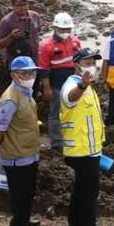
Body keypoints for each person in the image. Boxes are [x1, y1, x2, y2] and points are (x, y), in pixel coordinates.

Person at [0, 56, 41, 226]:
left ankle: (25, 220)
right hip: (17, 158)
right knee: (20, 196)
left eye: (32, 72)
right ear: (13, 75)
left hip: (29, 154)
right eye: (24, 73)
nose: (29, 76)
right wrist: (10, 145)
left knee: (28, 193)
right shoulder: (11, 99)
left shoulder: (25, 92)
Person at [60, 48, 108, 226]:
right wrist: (82, 85)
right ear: (76, 64)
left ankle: (75, 224)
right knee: (90, 192)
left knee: (81, 189)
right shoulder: (73, 84)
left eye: (93, 62)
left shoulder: (90, 88)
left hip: (90, 148)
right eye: (86, 62)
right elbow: (70, 98)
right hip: (81, 150)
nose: (91, 65)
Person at [37, 12, 82, 152]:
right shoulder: (46, 45)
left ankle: (72, 137)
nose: (65, 32)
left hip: (72, 82)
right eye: (62, 29)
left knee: (73, 111)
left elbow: (79, 62)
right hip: (55, 84)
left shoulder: (74, 41)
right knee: (55, 113)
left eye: (68, 29)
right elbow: (43, 69)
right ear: (55, 27)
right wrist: (47, 88)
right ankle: (57, 143)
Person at [0, 0, 44, 66]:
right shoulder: (6, 21)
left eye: (25, 4)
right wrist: (11, 37)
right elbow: (0, 44)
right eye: (18, 5)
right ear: (12, 6)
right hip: (16, 63)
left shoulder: (35, 16)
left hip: (34, 60)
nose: (22, 7)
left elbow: (38, 34)